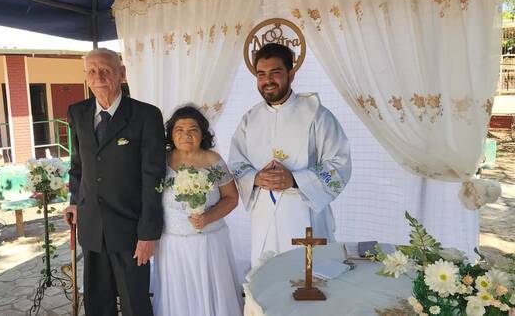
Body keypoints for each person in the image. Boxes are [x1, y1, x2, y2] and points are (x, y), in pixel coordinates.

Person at [228, 43, 352, 266]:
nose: (268, 81)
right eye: (261, 74)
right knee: (267, 277)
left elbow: (339, 163)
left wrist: (295, 179)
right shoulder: (250, 119)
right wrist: (255, 177)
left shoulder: (317, 115)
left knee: (309, 278)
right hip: (264, 211)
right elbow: (237, 162)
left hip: (306, 210)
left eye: (275, 72)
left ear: (291, 74)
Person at [63, 48, 165, 316]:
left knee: (135, 304)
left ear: (121, 74)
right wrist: (74, 202)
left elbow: (154, 177)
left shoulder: (146, 115)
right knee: (96, 303)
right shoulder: (77, 113)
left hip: (130, 229)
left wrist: (148, 233)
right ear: (86, 76)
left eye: (106, 70)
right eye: (92, 71)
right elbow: (78, 165)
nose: (98, 77)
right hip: (92, 225)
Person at [152, 106, 242, 316]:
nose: (186, 134)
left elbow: (232, 198)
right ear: (171, 134)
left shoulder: (213, 160)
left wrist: (208, 217)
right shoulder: (160, 160)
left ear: (202, 134)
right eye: (179, 129)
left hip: (209, 243)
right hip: (171, 244)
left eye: (193, 129)